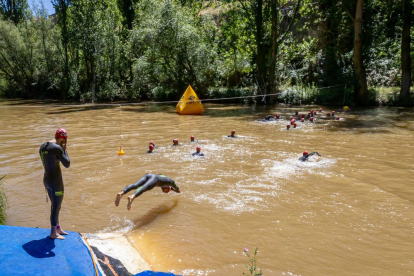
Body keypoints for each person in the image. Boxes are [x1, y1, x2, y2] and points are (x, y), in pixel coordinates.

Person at [39, 128, 70, 240]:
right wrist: (64, 149)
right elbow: (67, 163)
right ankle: (53, 233)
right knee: (56, 206)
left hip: (47, 180)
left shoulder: (43, 146)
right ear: (62, 138)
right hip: (56, 182)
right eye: (65, 140)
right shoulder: (57, 148)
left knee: (55, 206)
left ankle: (57, 228)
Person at [114, 174, 180, 210]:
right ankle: (132, 197)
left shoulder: (166, 181)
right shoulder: (171, 182)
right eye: (165, 191)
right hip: (155, 179)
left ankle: (121, 193)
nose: (163, 191)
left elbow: (171, 188)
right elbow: (176, 187)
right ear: (167, 188)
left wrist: (174, 190)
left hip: (149, 175)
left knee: (135, 185)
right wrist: (177, 190)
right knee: (144, 188)